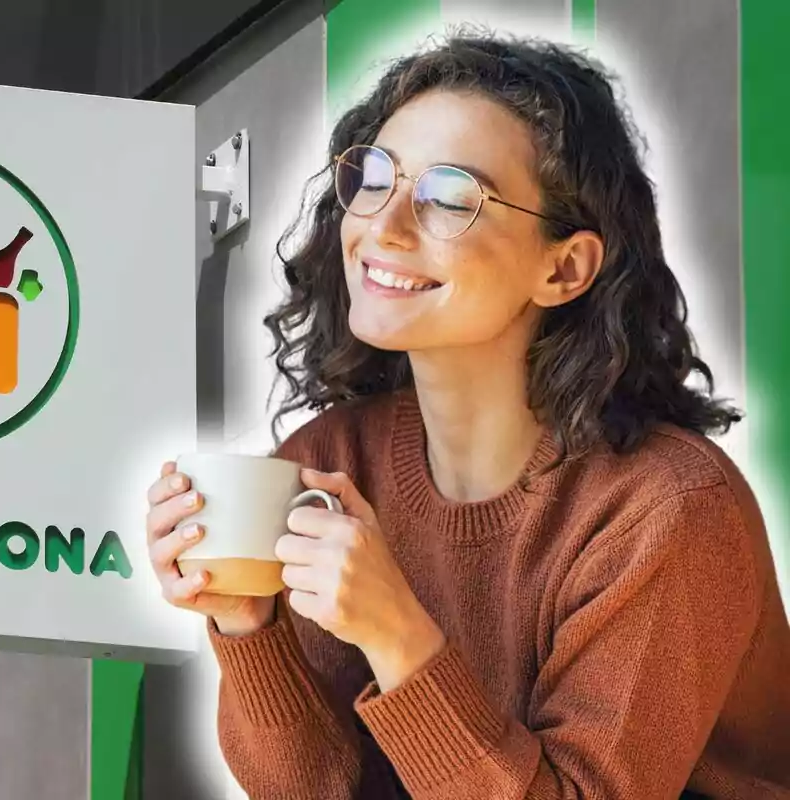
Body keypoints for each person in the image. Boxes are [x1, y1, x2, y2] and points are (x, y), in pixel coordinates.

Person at [144, 31, 790, 800]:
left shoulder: (668, 510)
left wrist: (398, 635)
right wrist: (249, 627)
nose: (384, 228)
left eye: (450, 199)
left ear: (563, 267)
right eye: (375, 179)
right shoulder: (333, 459)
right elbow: (318, 789)